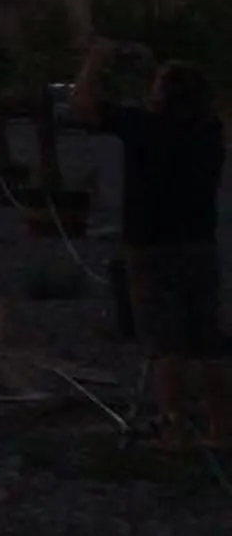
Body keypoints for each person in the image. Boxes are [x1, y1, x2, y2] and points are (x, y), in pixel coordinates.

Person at [71, 40, 228, 443]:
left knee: (166, 342)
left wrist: (96, 60)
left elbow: (84, 107)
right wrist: (155, 66)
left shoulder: (144, 127)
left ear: (160, 95)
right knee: (208, 340)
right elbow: (178, 93)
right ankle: (221, 427)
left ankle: (173, 427)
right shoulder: (210, 131)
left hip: (150, 247)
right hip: (199, 246)